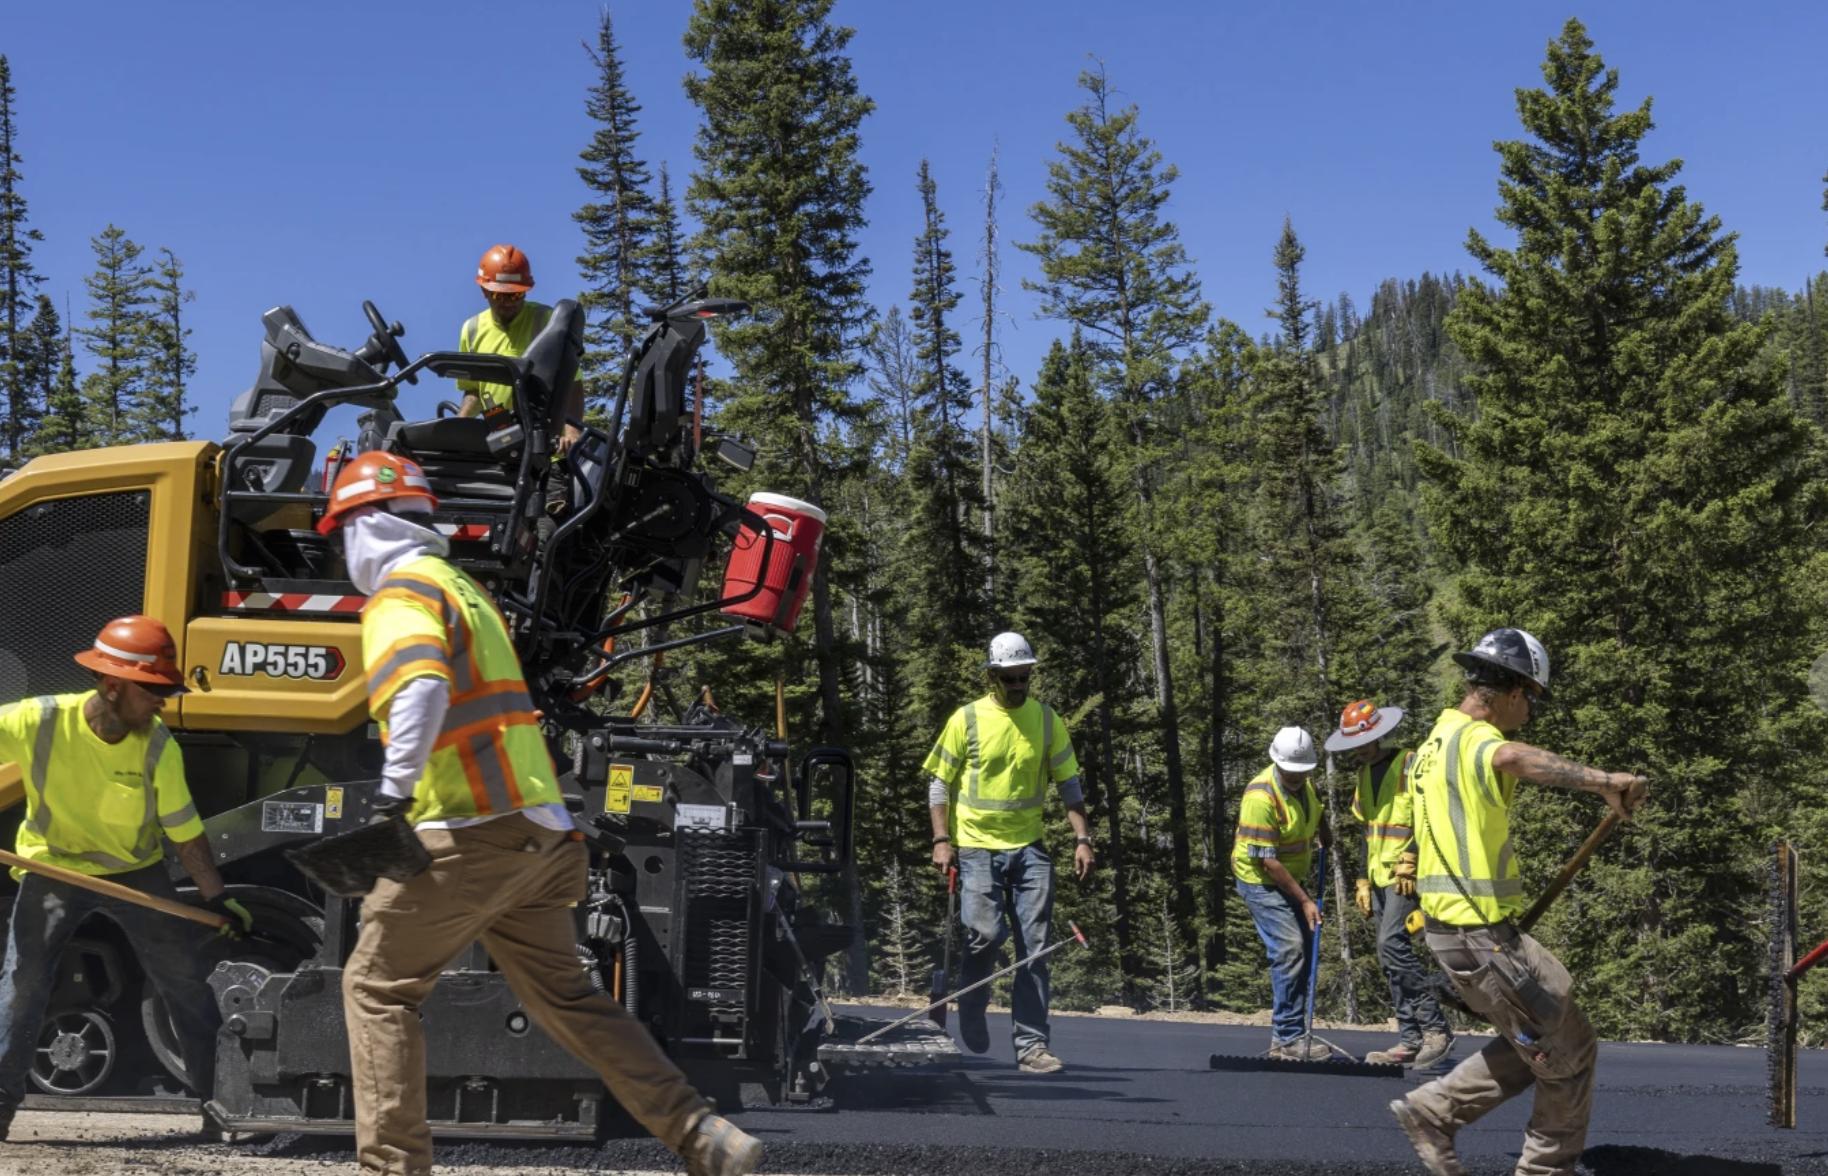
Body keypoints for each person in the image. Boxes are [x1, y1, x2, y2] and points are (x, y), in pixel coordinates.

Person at [314, 451, 760, 1176]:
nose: (343, 552)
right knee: (569, 998)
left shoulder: (399, 596)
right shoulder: (463, 589)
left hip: (464, 830)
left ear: (365, 527)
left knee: (376, 987)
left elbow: (422, 688)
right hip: (541, 836)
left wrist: (392, 794)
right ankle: (703, 1133)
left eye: (342, 536)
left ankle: (392, 1168)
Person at [1389, 628, 1648, 1176]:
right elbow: (1510, 756)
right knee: (1569, 1056)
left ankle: (1434, 1109)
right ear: (1508, 692)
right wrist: (1604, 780)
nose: (1530, 712)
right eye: (1529, 698)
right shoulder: (1475, 740)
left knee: (1553, 1033)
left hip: (1464, 934)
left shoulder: (1436, 740)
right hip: (1478, 936)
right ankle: (1537, 1168)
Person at [0, 616, 252, 1140]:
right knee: (23, 984)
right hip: (55, 867)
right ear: (112, 686)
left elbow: (185, 833)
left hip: (136, 875)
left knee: (183, 982)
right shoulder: (38, 721)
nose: (162, 702)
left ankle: (220, 1108)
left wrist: (217, 898)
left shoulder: (158, 745)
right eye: (153, 691)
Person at [923, 631, 1094, 1074]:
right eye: (1010, 679)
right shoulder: (968, 719)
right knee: (985, 934)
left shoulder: (1045, 719)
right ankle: (974, 998)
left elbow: (1069, 783)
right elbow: (939, 783)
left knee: (1034, 950)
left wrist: (1082, 838)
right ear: (993, 676)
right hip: (977, 847)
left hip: (1029, 849)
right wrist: (942, 840)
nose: (1019, 686)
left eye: (1025, 678)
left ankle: (1032, 1046)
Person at [1325, 698, 1453, 1069]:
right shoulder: (1364, 775)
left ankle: (1435, 1029)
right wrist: (1363, 879)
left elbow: (1430, 815)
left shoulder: (1409, 764)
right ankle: (1411, 1039)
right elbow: (1371, 830)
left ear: (1381, 735)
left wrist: (1412, 857)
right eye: (1355, 745)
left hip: (1408, 875)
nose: (1361, 750)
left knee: (1392, 942)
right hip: (1380, 874)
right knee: (1387, 956)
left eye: (1366, 741)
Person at [1233, 725, 1332, 1061]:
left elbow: (1314, 812)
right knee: (1289, 948)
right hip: (1260, 881)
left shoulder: (1305, 785)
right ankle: (1286, 1038)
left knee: (1304, 948)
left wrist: (1324, 831)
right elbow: (1268, 862)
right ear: (1277, 762)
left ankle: (1296, 1031)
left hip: (1292, 878)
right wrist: (1304, 900)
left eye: (1302, 771)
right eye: (1291, 771)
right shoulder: (1260, 797)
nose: (1296, 776)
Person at [458, 243, 585, 457]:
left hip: (543, 443)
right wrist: (458, 427)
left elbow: (573, 383)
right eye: (501, 296)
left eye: (516, 295)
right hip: (499, 441)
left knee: (552, 489)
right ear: (484, 291)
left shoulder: (548, 322)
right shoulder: (471, 330)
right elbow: (473, 391)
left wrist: (572, 432)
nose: (508, 302)